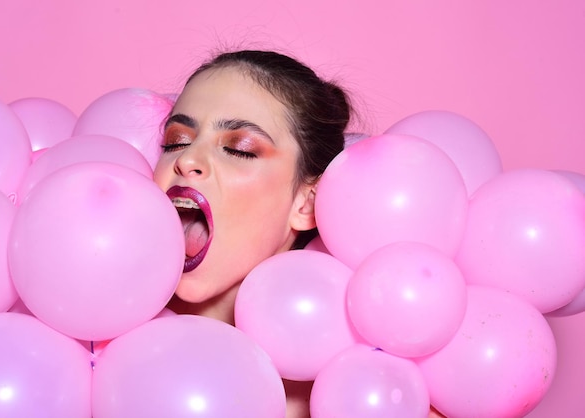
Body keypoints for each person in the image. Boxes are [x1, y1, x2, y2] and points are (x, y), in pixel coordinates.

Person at [153, 49, 444, 418]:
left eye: (237, 148)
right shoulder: (99, 352)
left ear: (306, 203)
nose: (187, 159)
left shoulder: (373, 399)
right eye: (176, 141)